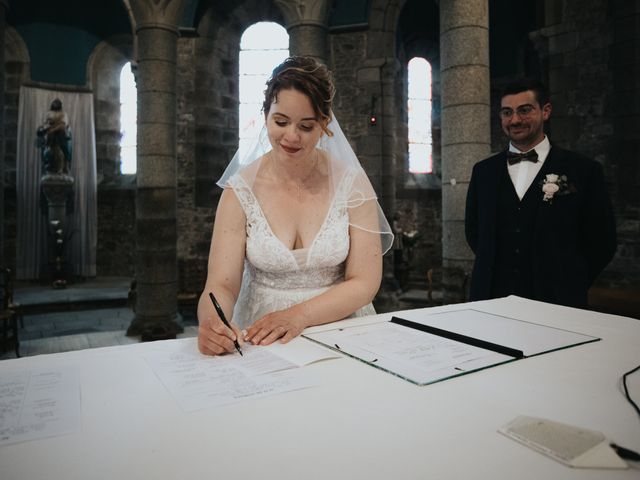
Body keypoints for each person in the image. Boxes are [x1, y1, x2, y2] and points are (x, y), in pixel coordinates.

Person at [197, 56, 394, 356]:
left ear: (324, 125)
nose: (291, 136)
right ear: (266, 116)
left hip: (340, 329)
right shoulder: (240, 191)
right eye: (281, 122)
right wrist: (213, 321)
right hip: (261, 336)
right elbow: (221, 285)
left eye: (305, 125)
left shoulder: (352, 184)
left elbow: (365, 281)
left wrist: (299, 315)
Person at [465, 77, 616, 308]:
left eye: (525, 110)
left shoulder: (583, 170)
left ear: (545, 111)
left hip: (558, 301)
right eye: (507, 112)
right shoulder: (483, 171)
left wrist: (571, 281)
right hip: (490, 299)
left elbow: (602, 240)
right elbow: (474, 232)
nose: (515, 120)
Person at [36, 98, 72, 175]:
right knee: (48, 152)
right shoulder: (49, 113)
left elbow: (63, 125)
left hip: (60, 136)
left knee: (63, 152)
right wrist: (44, 128)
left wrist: (53, 129)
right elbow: (46, 124)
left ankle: (63, 167)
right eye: (54, 103)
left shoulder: (63, 114)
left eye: (57, 103)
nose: (55, 105)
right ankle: (50, 167)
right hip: (50, 137)